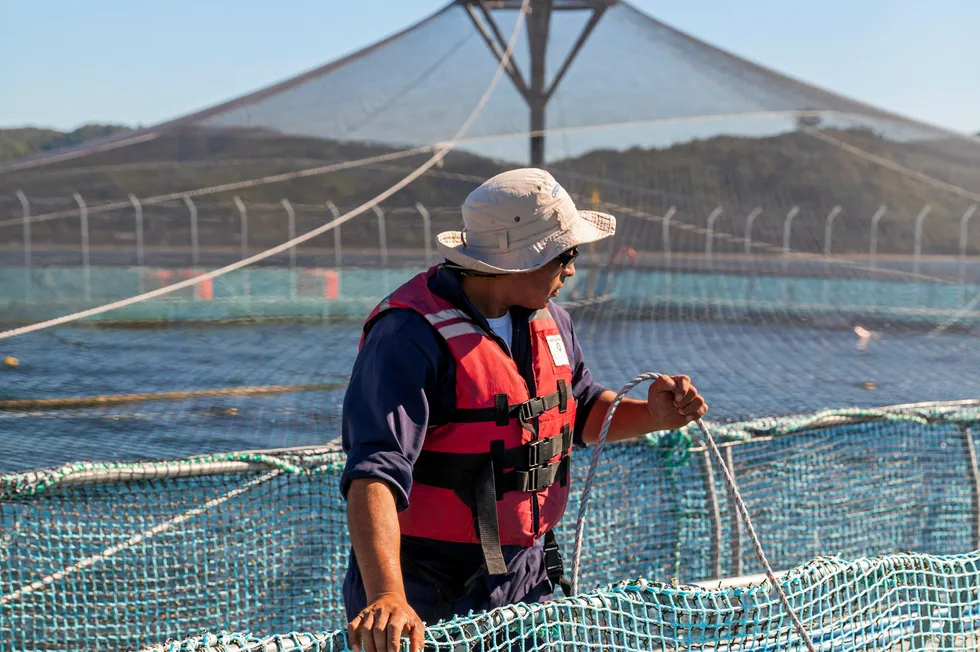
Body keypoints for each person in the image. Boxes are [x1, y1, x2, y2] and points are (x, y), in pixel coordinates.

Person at [341, 168, 707, 652]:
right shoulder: (407, 336)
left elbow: (577, 411)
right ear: (520, 260)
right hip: (428, 593)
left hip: (525, 580)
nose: (572, 270)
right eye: (565, 255)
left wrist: (654, 416)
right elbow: (373, 474)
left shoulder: (553, 320)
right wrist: (388, 596)